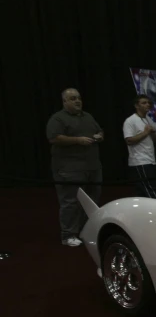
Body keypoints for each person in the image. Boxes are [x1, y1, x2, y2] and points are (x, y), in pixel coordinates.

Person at [46, 88, 104, 247]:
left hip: (92, 166)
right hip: (69, 168)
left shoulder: (88, 116)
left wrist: (99, 136)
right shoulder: (58, 119)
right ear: (64, 102)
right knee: (70, 202)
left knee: (91, 200)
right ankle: (68, 235)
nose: (77, 101)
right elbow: (54, 138)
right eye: (72, 98)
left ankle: (87, 230)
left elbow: (100, 130)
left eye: (78, 98)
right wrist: (77, 140)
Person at [123, 94, 156, 199]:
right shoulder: (130, 121)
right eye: (144, 103)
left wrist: (154, 133)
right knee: (152, 191)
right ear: (137, 106)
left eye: (148, 103)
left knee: (142, 193)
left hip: (150, 160)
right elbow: (129, 140)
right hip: (140, 161)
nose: (148, 105)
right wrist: (146, 132)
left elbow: (155, 140)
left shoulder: (148, 119)